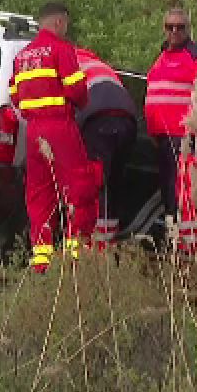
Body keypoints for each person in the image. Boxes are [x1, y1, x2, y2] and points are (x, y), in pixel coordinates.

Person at [9, 2, 92, 270]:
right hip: (60, 126)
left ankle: (41, 259)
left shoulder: (22, 56)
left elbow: (14, 95)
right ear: (59, 22)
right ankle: (75, 255)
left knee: (40, 194)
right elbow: (77, 90)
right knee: (79, 186)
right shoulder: (61, 49)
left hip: (33, 132)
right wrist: (81, 102)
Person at [144, 8, 197, 254]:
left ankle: (188, 249)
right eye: (170, 27)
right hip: (162, 138)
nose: (174, 31)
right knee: (169, 196)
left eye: (180, 27)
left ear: (188, 29)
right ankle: (174, 244)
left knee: (185, 195)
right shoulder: (160, 58)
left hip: (185, 137)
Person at [75, 46, 138, 249]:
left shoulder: (63, 60)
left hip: (97, 118)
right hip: (128, 119)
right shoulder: (98, 64)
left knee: (95, 182)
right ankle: (107, 242)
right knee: (113, 182)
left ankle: (94, 246)